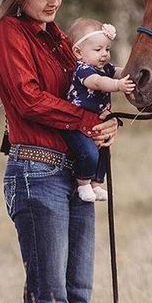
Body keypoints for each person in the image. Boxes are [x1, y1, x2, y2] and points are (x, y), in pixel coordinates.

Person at [0, 0, 119, 303]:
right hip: (36, 173)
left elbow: (82, 92)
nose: (53, 1)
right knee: (50, 299)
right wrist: (84, 122)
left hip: (74, 171)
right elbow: (28, 100)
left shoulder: (58, 38)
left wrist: (105, 122)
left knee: (77, 295)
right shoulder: (9, 32)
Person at [63, 18, 135, 202]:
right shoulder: (83, 70)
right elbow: (97, 82)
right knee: (88, 152)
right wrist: (118, 85)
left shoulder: (103, 67)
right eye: (98, 50)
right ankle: (83, 183)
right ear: (78, 52)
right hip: (77, 123)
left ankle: (96, 183)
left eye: (107, 49)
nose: (104, 54)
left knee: (103, 151)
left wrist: (131, 73)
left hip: (96, 122)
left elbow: (118, 71)